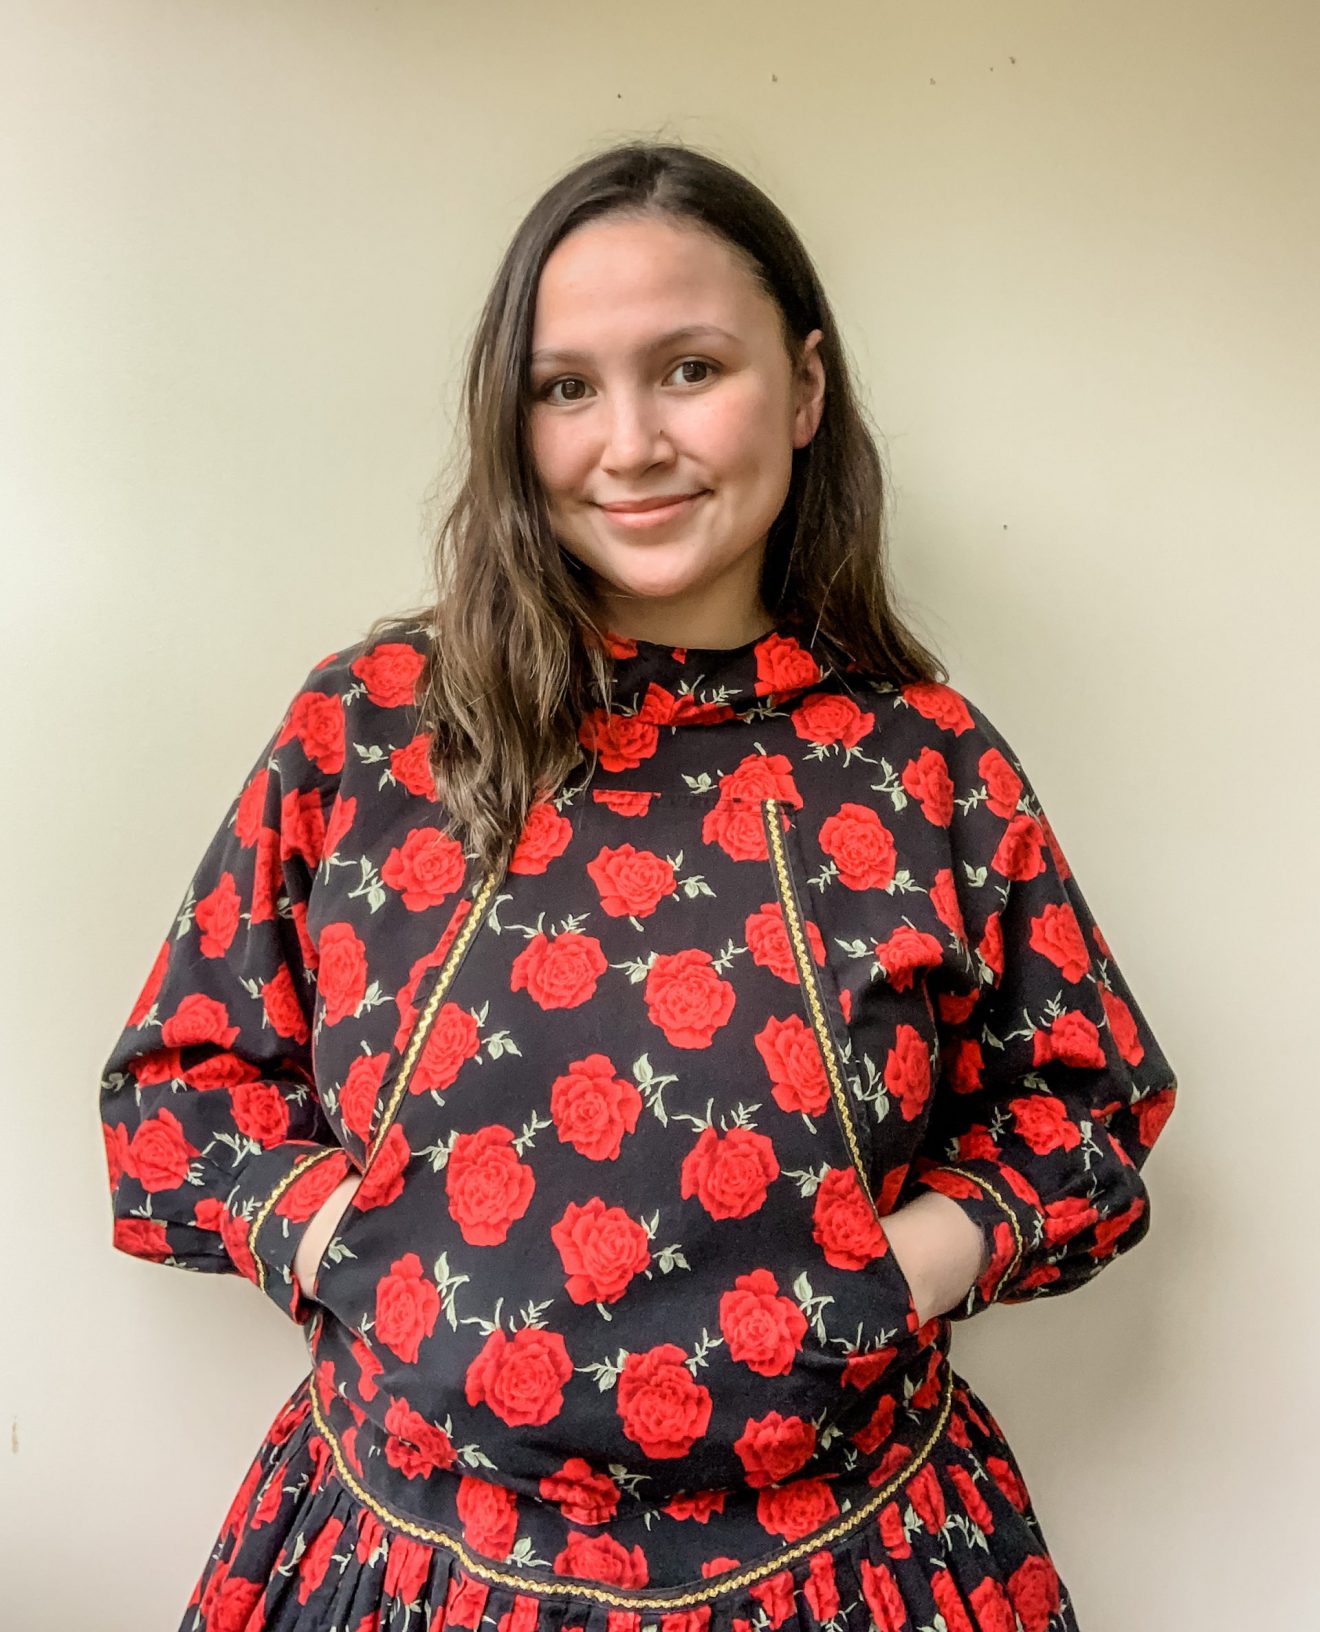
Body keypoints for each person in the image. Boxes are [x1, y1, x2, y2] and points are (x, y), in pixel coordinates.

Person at [98, 139, 1178, 1632]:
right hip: (414, 1569)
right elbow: (181, 1086)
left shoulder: (918, 760)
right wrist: (354, 1249)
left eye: (689, 369)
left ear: (803, 392)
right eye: (566, 388)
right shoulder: (371, 726)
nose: (631, 444)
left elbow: (1087, 1106)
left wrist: (892, 1275)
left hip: (853, 1566)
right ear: (509, 416)